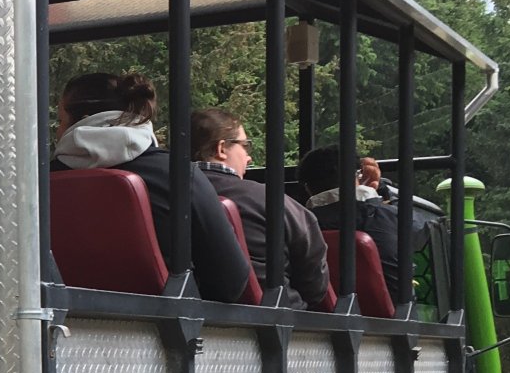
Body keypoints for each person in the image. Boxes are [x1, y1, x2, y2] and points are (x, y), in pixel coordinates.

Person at [52, 71, 251, 302]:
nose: (58, 131)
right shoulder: (177, 175)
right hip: (169, 327)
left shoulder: (43, 182)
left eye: (61, 121)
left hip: (65, 318)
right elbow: (231, 280)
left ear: (83, 119)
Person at [191, 105, 331, 310]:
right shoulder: (271, 201)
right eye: (245, 145)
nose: (249, 157)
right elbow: (316, 287)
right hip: (278, 318)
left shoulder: (165, 194)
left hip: (191, 310)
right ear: (221, 149)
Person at [301, 144, 405, 300]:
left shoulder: (300, 223)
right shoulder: (391, 217)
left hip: (322, 315)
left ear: (308, 188)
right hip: (395, 317)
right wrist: (379, 194)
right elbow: (426, 229)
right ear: (357, 175)